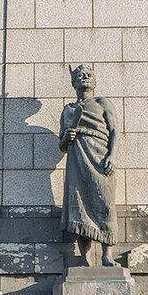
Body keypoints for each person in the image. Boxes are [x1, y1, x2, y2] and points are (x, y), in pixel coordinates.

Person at [59, 64, 120, 267]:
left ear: (94, 81)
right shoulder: (68, 110)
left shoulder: (102, 103)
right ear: (73, 82)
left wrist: (112, 155)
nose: (84, 77)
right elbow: (62, 145)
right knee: (80, 206)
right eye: (79, 75)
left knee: (105, 203)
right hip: (77, 159)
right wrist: (66, 138)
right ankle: (85, 258)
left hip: (100, 156)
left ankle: (107, 254)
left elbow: (115, 132)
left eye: (88, 74)